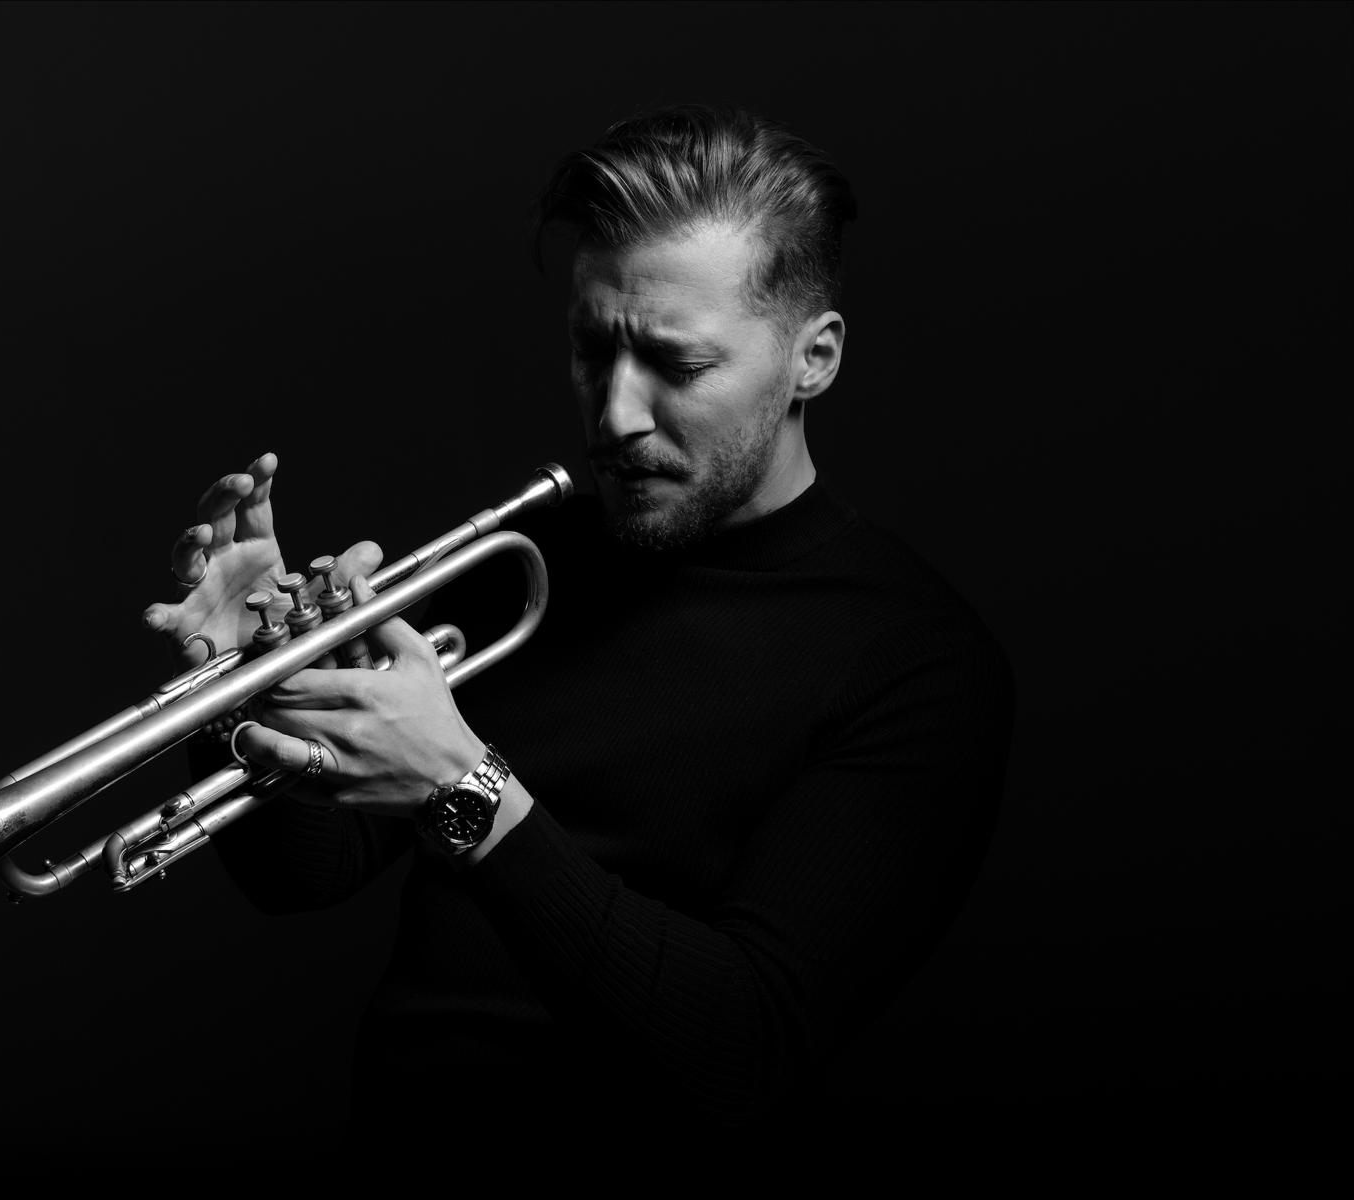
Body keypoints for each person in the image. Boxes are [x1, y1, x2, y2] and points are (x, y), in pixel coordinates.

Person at [141, 105, 1014, 1145]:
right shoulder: (524, 565)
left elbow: (741, 1052)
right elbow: (307, 875)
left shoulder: (918, 664)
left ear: (812, 358)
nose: (616, 415)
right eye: (593, 351)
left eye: (676, 365)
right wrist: (249, 679)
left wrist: (466, 793)